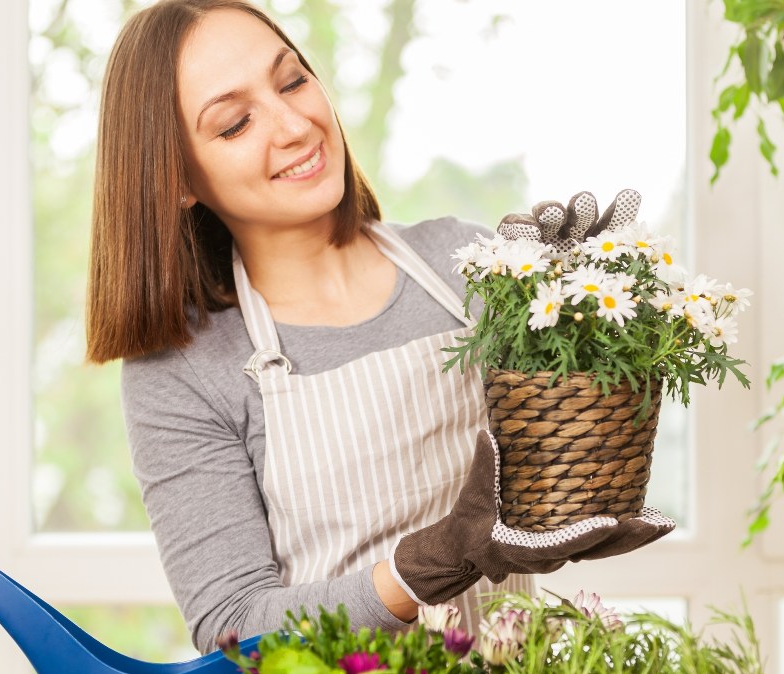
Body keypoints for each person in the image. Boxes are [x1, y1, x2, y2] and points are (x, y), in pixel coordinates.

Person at [85, 0, 674, 654]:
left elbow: (567, 442)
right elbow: (235, 622)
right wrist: (429, 562)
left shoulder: (461, 265)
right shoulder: (185, 368)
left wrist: (581, 294)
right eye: (235, 123)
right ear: (175, 179)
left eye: (292, 81)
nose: (294, 125)